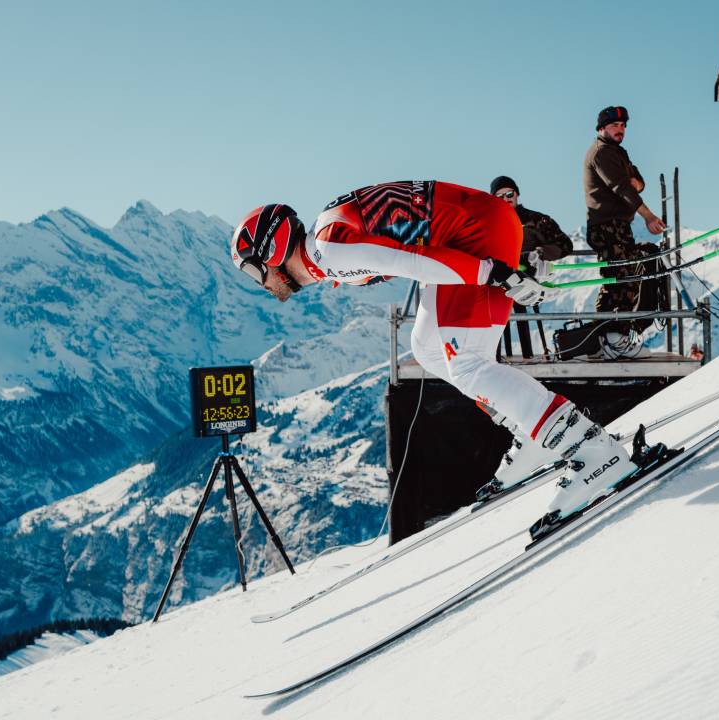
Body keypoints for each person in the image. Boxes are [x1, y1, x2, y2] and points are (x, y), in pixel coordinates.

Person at [229, 181, 666, 527]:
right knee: (426, 347)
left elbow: (415, 262)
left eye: (253, 269)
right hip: (472, 230)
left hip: (478, 236)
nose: (259, 283)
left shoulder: (332, 250)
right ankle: (534, 435)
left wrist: (495, 273)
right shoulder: (329, 244)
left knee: (469, 363)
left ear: (272, 249)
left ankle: (592, 451)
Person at [584, 105, 669, 357]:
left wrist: (636, 183)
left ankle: (609, 339)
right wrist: (649, 216)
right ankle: (611, 338)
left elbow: (638, 180)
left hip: (618, 226)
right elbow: (624, 188)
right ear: (602, 128)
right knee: (620, 279)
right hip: (607, 225)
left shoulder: (617, 152)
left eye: (623, 126)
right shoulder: (601, 153)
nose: (620, 130)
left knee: (624, 276)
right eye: (615, 125)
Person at [489, 175, 573, 358]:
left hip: (526, 281)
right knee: (493, 325)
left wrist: (541, 254)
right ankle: (492, 362)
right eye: (499, 196)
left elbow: (565, 245)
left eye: (509, 194)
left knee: (523, 317)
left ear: (517, 194)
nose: (505, 199)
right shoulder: (488, 223)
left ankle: (528, 357)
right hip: (496, 282)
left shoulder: (536, 220)